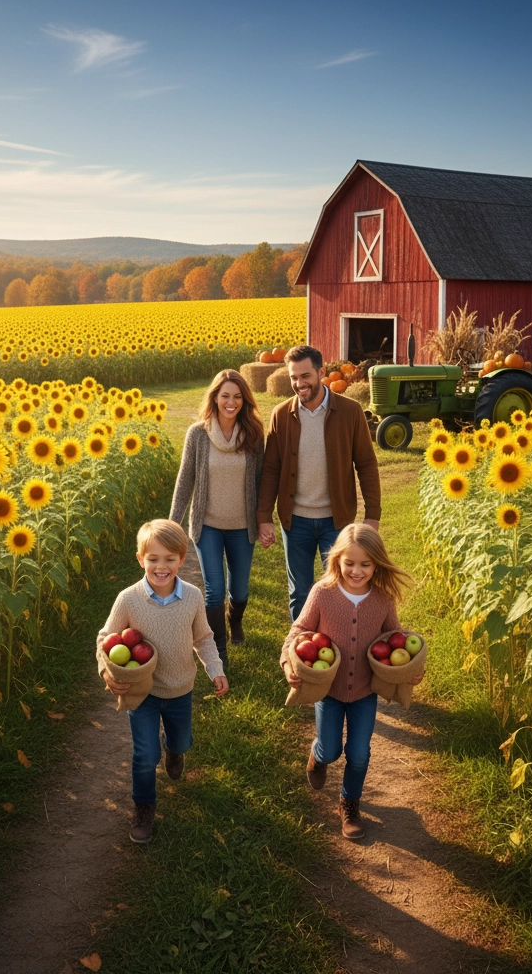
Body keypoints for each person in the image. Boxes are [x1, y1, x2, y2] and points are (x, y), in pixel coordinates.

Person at [280, 524, 420, 839]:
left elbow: (395, 639)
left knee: (359, 753)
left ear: (377, 564)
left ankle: (349, 802)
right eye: (350, 563)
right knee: (330, 750)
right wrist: (289, 662)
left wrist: (409, 669)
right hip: (328, 690)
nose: (357, 571)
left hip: (364, 692)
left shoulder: (382, 599)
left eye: (366, 564)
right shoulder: (323, 593)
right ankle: (317, 758)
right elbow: (298, 631)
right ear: (338, 560)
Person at [96, 518, 229, 843]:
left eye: (170, 558)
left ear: (182, 560)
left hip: (180, 689)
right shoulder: (128, 599)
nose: (161, 566)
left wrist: (216, 668)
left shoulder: (194, 598)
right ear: (141, 559)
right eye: (153, 558)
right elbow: (106, 638)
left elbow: (204, 638)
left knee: (180, 741)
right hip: (141, 692)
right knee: (145, 756)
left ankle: (175, 750)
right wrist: (106, 673)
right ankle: (143, 808)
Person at [257, 344, 382, 620]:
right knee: (300, 592)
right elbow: (271, 469)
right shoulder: (281, 415)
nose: (299, 384)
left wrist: (372, 515)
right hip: (296, 521)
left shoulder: (350, 412)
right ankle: (300, 650)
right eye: (293, 377)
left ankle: (334, 647)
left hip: (335, 522)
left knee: (338, 589)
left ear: (321, 372)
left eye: (305, 376)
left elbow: (366, 465)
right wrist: (264, 516)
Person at [169, 369, 265, 663]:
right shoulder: (197, 434)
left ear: (244, 401)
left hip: (242, 527)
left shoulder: (253, 435)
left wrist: (264, 520)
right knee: (214, 590)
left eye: (237, 397)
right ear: (215, 397)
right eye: (225, 396)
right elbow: (185, 479)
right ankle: (218, 652)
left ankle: (235, 621)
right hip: (207, 525)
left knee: (239, 589)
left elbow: (262, 480)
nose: (231, 402)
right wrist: (172, 524)